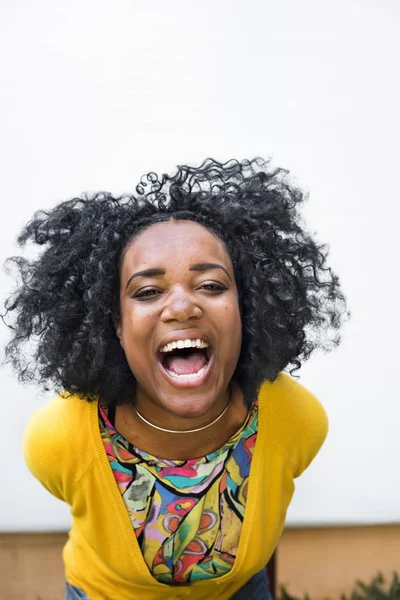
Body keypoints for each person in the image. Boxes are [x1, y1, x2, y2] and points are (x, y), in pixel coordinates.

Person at [2, 158, 348, 600]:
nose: (183, 308)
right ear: (117, 327)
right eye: (148, 292)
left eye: (211, 285)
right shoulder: (59, 439)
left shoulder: (294, 420)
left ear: (247, 311)